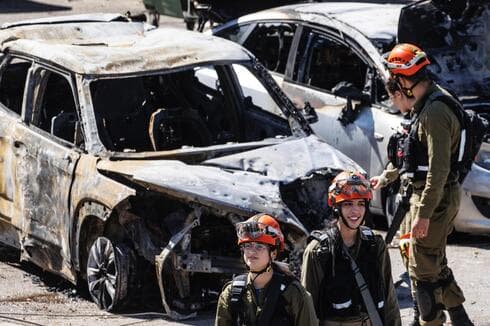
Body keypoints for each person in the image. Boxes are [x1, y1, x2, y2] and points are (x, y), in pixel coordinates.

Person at [370, 43, 474, 326]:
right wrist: (385, 178)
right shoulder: (426, 105)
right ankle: (459, 317)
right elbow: (414, 155)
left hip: (434, 199)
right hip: (426, 196)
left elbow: (438, 170)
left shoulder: (435, 113)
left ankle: (430, 321)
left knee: (422, 269)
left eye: (395, 82)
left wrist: (425, 214)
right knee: (431, 262)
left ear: (404, 81)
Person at [301, 171, 401, 326]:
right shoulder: (318, 250)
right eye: (348, 204)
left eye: (361, 203)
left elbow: (389, 299)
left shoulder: (375, 244)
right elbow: (307, 310)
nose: (355, 211)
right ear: (335, 207)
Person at [215, 213, 318, 326]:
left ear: (273, 253)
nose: (252, 251)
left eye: (259, 246)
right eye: (248, 245)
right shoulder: (231, 293)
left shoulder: (294, 294)